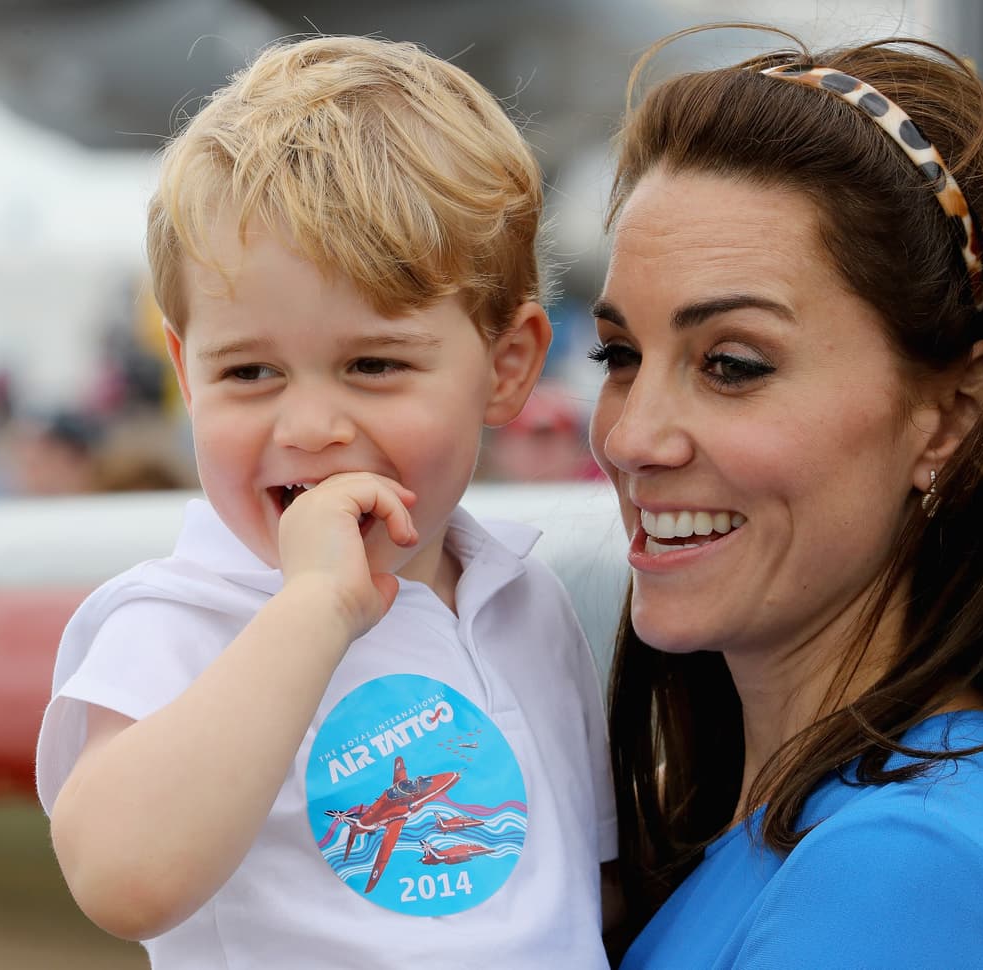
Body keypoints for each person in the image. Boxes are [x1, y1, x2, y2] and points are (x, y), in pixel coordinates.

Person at [588, 22, 983, 970]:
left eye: (731, 364)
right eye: (620, 356)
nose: (631, 439)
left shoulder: (916, 873)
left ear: (952, 414)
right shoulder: (805, 830)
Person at [35, 35, 615, 969]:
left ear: (507, 368)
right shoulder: (179, 621)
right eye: (250, 370)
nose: (309, 426)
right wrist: (312, 608)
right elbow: (120, 877)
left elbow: (583, 898)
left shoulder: (525, 603)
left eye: (373, 364)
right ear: (188, 377)